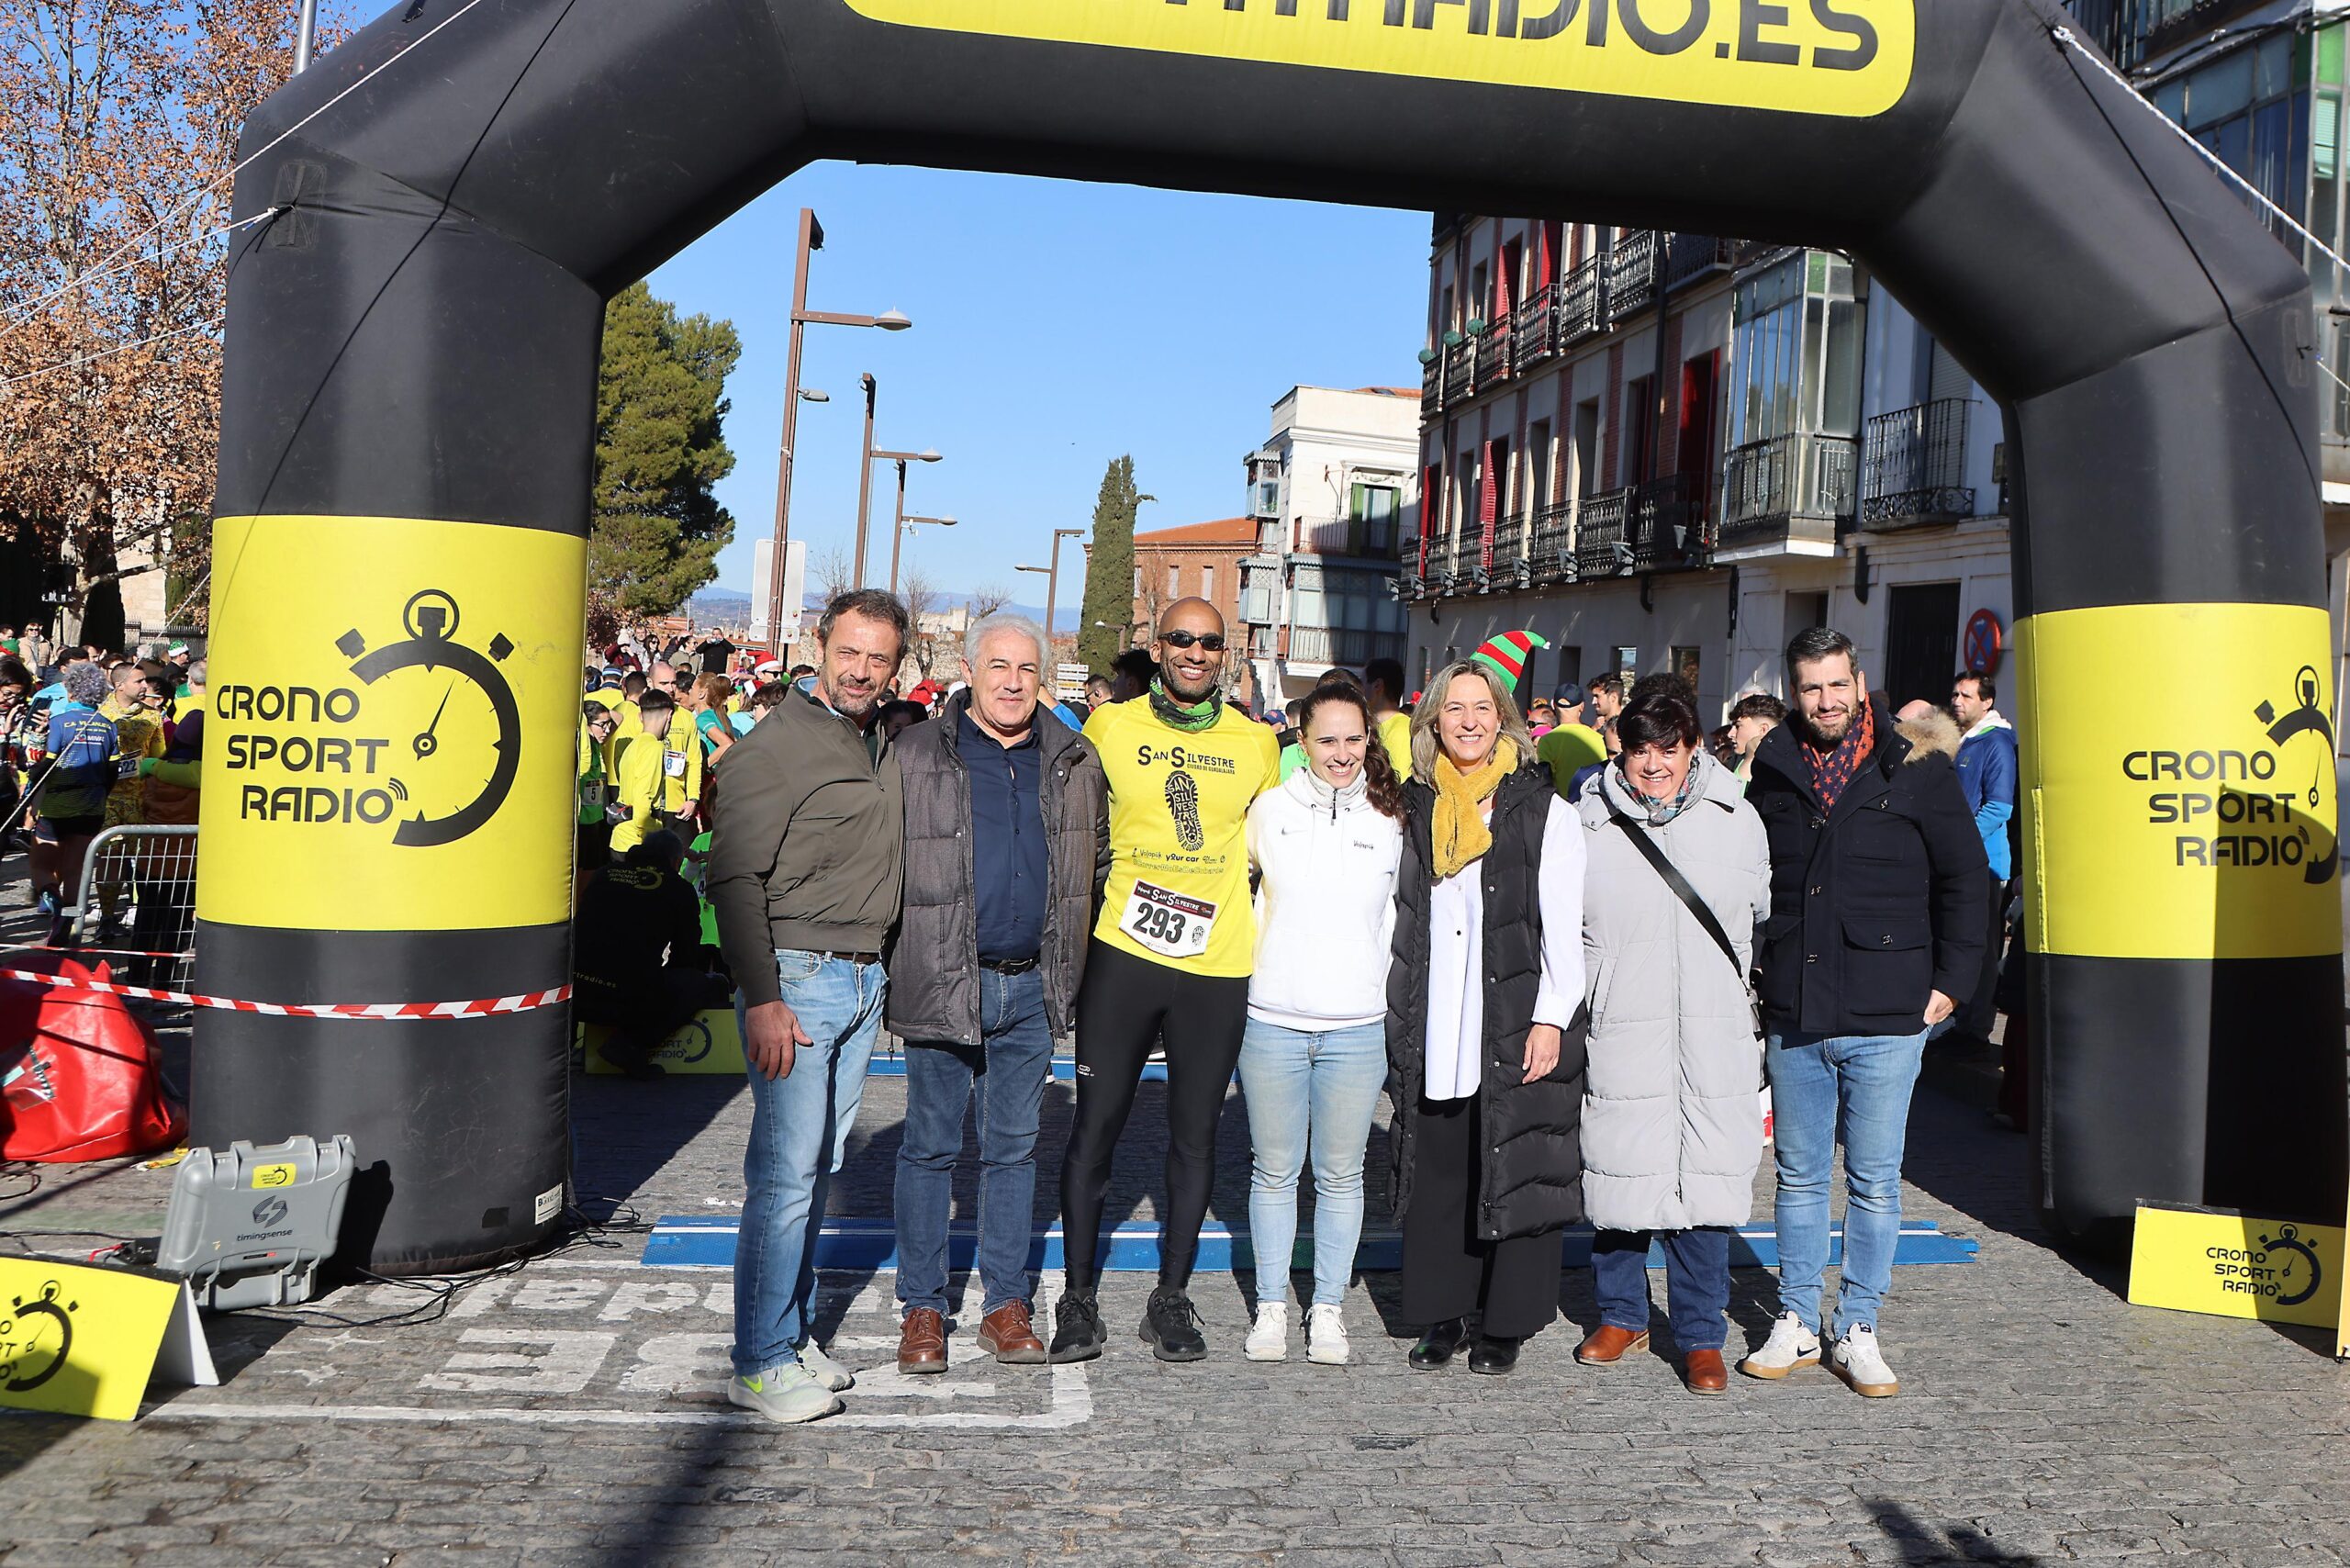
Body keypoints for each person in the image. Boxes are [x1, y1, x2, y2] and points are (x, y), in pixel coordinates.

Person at [1739, 627, 1986, 1399]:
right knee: (1799, 1177)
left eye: (1836, 685)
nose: (1826, 701)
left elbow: (1965, 880)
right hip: (1797, 1005)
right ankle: (1796, 1319)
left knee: (1876, 1182)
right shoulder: (1772, 768)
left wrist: (1954, 979)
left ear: (1859, 680)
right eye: (1811, 688)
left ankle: (1859, 1327)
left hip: (1889, 1009)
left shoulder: (1915, 765)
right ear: (1794, 691)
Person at [1051, 597, 1280, 1364]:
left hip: (1215, 965)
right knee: (1097, 1126)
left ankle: (1171, 1298)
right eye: (1180, 639)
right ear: (1156, 645)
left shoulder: (1255, 743)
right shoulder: (1111, 726)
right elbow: (1068, 818)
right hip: (1126, 950)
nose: (1194, 652)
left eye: (1208, 643)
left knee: (1196, 1135)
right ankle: (1078, 1297)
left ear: (1226, 654)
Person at [888, 613, 1108, 1373]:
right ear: (968, 670)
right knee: (930, 1150)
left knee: (1014, 1154)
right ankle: (922, 1310)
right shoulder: (916, 753)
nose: (1013, 683)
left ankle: (1005, 1305)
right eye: (998, 667)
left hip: (1030, 988)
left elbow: (1097, 865)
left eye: (1026, 669)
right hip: (945, 978)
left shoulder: (1075, 760)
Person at [711, 588, 910, 1424]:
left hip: (861, 982)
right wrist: (762, 998)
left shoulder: (878, 739)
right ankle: (757, 1360)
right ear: (818, 647)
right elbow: (731, 879)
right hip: (797, 982)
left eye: (880, 658)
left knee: (817, 1169)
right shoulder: (776, 747)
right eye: (850, 652)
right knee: (784, 1178)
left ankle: (788, 1338)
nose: (863, 670)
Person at [1387, 658, 1588, 1375]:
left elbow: (1565, 929)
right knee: (1443, 1166)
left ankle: (1506, 1320)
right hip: (1438, 1016)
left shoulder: (1543, 812)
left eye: (1481, 708)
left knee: (1519, 1164)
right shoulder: (1413, 807)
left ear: (1503, 719)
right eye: (1453, 709)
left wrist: (1552, 1017)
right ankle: (1442, 1313)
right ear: (1432, 723)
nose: (1468, 722)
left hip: (1516, 1014)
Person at [1569, 687, 1771, 1395]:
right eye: (1640, 747)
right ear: (1620, 747)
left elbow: (1760, 917)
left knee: (1706, 1183)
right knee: (1621, 1170)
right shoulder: (1586, 822)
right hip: (1624, 1019)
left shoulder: (1737, 820)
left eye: (1669, 747)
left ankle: (1700, 1335)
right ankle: (1622, 1313)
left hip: (1712, 1027)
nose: (1654, 763)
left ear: (1695, 747)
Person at [1237, 680, 1405, 1367]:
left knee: (1342, 1175)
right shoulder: (1268, 811)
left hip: (1358, 1024)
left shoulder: (1392, 818)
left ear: (1370, 740)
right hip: (1273, 1019)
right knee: (1274, 1171)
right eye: (1327, 739)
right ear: (1300, 741)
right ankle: (1273, 1306)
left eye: (1354, 738)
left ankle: (1328, 1308)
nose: (1342, 753)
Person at [574, 830, 729, 1078]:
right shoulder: (677, 889)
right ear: (676, 861)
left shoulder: (604, 874)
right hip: (627, 1003)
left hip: (577, 994)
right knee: (703, 984)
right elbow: (685, 957)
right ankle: (629, 1045)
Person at [1949, 671, 2017, 1047]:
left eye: (1967, 696)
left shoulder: (1996, 744)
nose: (1957, 701)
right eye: (1955, 694)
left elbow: (1999, 807)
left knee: (1983, 949)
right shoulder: (1962, 741)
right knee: (1960, 944)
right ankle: (1962, 1024)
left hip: (1984, 866)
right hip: (1960, 862)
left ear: (1987, 702)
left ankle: (1975, 1031)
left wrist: (1959, 843)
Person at [28, 660, 117, 935]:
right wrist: (100, 793)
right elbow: (113, 770)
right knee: (75, 868)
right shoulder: (108, 726)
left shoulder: (59, 722)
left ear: (71, 692)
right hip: (92, 804)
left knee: (40, 866)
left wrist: (33, 776)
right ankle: (66, 922)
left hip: (58, 802)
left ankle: (53, 899)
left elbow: (48, 763)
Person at [1536, 678, 1606, 799]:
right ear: (1582, 706)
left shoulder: (1547, 740)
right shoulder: (1600, 739)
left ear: (1553, 704)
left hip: (1563, 810)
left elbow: (1544, 780)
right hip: (1593, 808)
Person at [1365, 655, 1415, 778]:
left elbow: (1400, 784)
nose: (1360, 689)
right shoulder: (1373, 726)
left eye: (1362, 682)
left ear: (1377, 686)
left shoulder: (1403, 729)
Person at [1727, 691, 1786, 782]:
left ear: (1763, 730)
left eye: (1738, 726)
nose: (1730, 734)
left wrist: (1749, 760)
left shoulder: (1782, 772)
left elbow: (1734, 795)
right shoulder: (1731, 762)